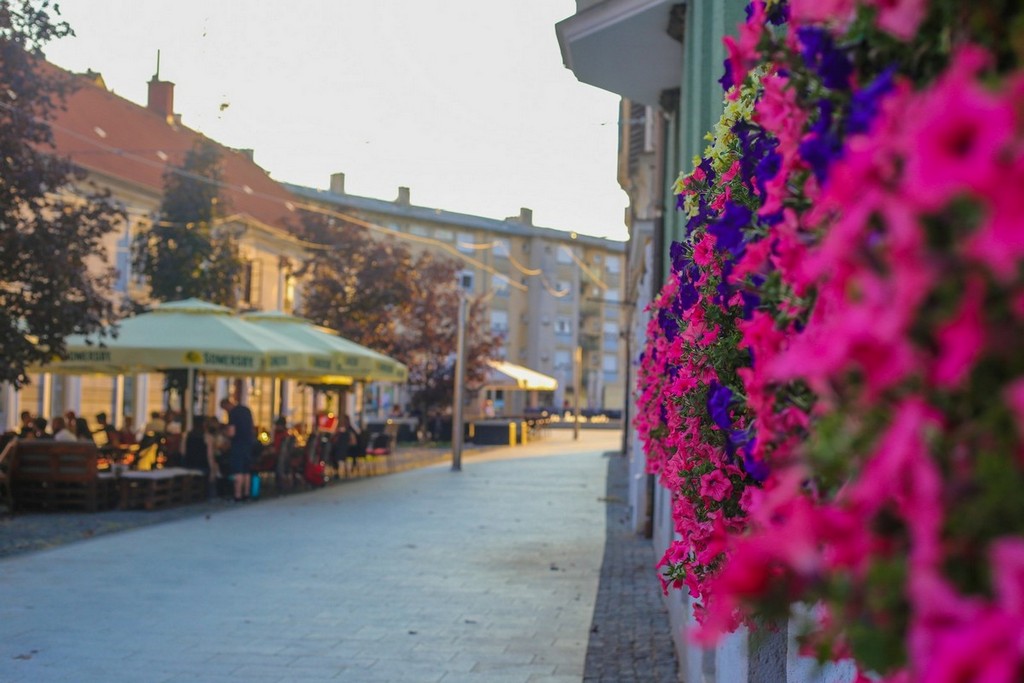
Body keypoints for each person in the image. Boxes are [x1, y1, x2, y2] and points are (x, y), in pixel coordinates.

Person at [220, 397, 256, 502]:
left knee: (237, 470)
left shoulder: (233, 414)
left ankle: (237, 496)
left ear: (226, 405)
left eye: (224, 409)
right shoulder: (246, 410)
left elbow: (232, 432)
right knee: (246, 470)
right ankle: (246, 494)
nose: (225, 411)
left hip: (238, 444)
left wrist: (225, 434)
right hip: (248, 443)